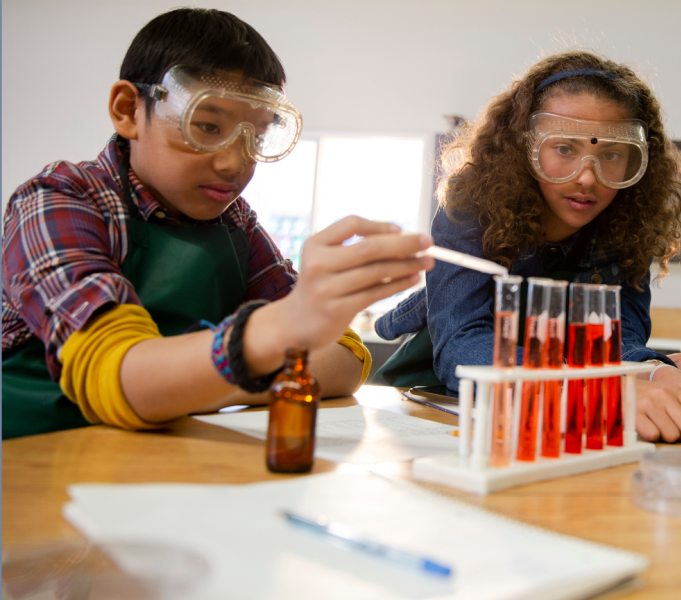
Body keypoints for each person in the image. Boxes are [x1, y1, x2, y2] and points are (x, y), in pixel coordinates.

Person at [1, 8, 433, 439]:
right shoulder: (59, 200)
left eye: (257, 137)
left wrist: (188, 386)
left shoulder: (235, 224)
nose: (235, 163)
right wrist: (273, 340)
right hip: (36, 466)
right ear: (129, 110)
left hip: (161, 469)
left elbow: (344, 358)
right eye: (207, 126)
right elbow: (118, 376)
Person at [373, 50, 681, 446]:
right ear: (526, 147)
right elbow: (464, 346)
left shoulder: (628, 225)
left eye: (611, 154)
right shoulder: (471, 208)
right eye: (564, 149)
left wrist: (657, 369)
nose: (588, 177)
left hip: (560, 413)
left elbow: (620, 338)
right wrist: (596, 392)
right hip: (437, 402)